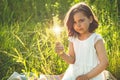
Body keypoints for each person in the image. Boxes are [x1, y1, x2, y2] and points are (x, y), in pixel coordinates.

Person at [55, 2, 109, 80]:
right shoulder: (73, 38)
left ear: (90, 19)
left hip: (92, 75)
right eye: (74, 22)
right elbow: (72, 60)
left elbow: (104, 63)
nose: (78, 25)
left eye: (81, 20)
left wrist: (87, 77)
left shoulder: (96, 39)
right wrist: (61, 53)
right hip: (74, 74)